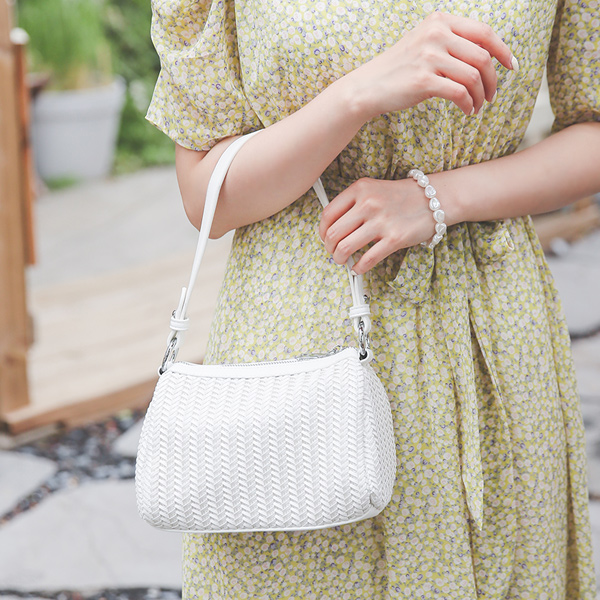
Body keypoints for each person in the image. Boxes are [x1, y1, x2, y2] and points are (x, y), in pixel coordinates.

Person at [146, 0, 599, 597]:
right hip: (300, 347)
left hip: (491, 339)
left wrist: (440, 197)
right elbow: (207, 194)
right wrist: (358, 94)